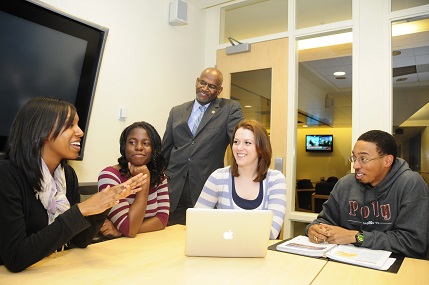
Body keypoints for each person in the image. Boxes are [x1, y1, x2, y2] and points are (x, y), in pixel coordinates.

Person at [0, 97, 146, 272]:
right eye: (70, 125)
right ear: (41, 130)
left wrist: (105, 204)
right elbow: (15, 257)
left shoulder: (67, 175)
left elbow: (79, 241)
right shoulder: (7, 174)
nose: (80, 132)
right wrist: (82, 210)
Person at [306, 130, 429, 258]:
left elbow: (414, 243)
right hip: (347, 260)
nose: (355, 165)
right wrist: (313, 229)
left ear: (387, 161)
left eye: (363, 159)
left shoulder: (410, 183)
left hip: (396, 267)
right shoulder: (345, 184)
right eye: (354, 158)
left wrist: (356, 237)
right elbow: (324, 220)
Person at [162, 67, 244, 225]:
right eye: (202, 83)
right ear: (196, 81)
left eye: (211, 86)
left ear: (219, 90)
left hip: (206, 189)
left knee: (201, 241)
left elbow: (239, 144)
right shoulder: (176, 111)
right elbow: (165, 149)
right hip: (174, 189)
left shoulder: (229, 109)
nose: (205, 88)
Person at [194, 119, 286, 239]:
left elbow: (271, 232)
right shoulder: (218, 177)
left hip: (259, 255)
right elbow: (197, 222)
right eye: (236, 142)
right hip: (223, 251)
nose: (239, 148)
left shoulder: (275, 180)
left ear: (261, 149)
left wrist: (225, 227)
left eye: (247, 143)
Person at [98, 121, 170, 238]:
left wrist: (121, 231)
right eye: (132, 142)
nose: (139, 148)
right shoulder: (109, 175)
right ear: (124, 147)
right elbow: (130, 229)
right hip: (114, 247)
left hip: (148, 241)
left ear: (153, 149)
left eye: (146, 143)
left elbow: (162, 219)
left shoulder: (159, 176)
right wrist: (144, 183)